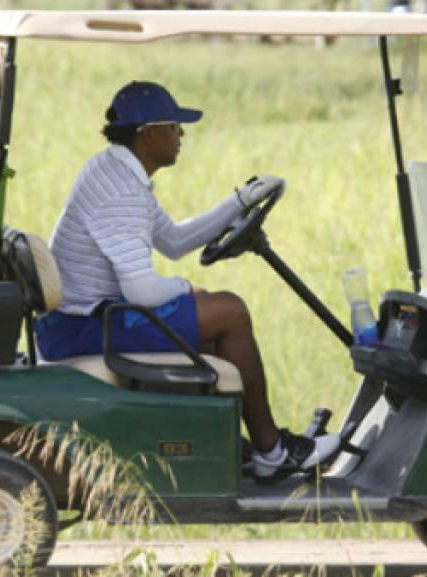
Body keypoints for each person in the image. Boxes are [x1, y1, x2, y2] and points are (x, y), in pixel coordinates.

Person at [35, 81, 342, 483]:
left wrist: (240, 201)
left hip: (89, 317)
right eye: (175, 126)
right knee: (230, 311)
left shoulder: (118, 170)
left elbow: (175, 241)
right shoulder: (121, 193)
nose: (183, 135)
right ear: (148, 134)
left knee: (214, 325)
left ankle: (233, 450)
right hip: (85, 328)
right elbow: (142, 292)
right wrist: (185, 288)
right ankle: (273, 451)